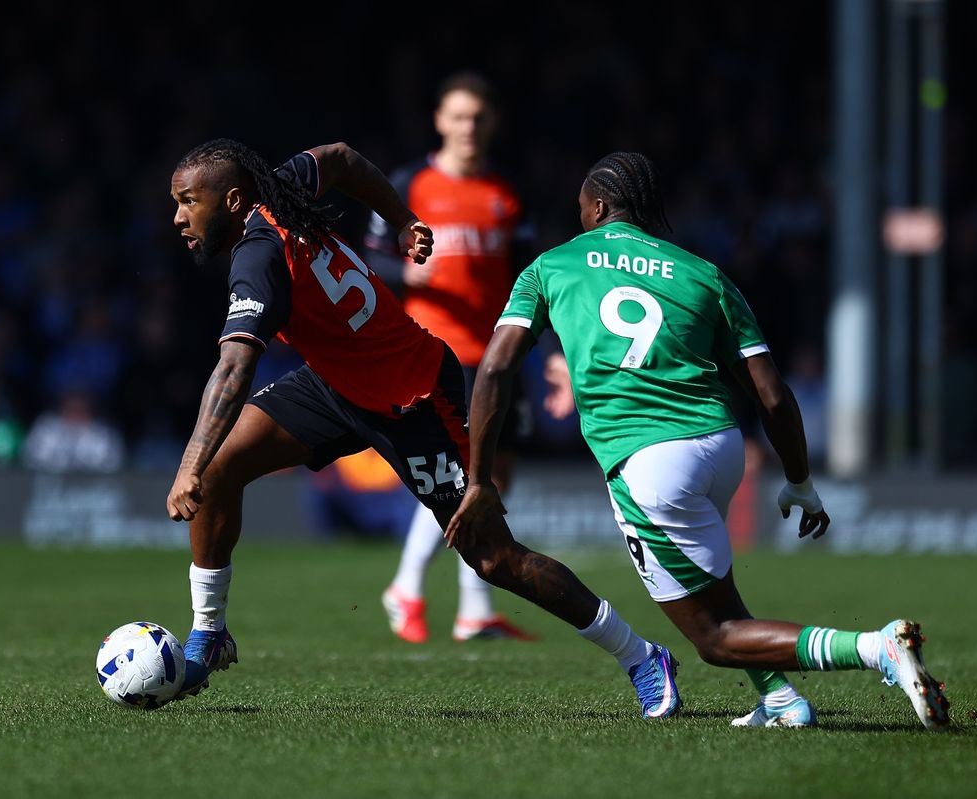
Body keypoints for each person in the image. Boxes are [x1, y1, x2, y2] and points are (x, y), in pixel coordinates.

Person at [164, 138, 681, 719]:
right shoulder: (279, 190)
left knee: (494, 560)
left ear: (231, 200)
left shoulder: (258, 255)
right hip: (337, 383)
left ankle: (641, 657)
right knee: (219, 466)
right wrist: (403, 219)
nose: (179, 217)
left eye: (188, 202)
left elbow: (234, 365)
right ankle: (209, 634)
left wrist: (184, 466)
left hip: (413, 396)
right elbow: (339, 157)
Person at [447, 152, 951, 730]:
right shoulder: (703, 273)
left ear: (601, 207)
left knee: (713, 637)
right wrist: (800, 480)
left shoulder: (551, 267)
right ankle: (781, 701)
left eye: (582, 208)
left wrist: (481, 479)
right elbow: (773, 396)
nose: (579, 216)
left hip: (648, 462)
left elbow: (493, 371)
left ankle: (875, 649)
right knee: (715, 593)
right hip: (719, 445)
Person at [364, 72, 568, 642]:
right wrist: (406, 274)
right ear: (439, 120)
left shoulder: (505, 194)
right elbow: (366, 261)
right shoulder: (408, 185)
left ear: (492, 122)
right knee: (460, 478)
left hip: (499, 355)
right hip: (436, 355)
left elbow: (533, 279)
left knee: (495, 476)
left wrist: (550, 352)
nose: (468, 127)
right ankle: (407, 586)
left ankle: (474, 608)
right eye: (458, 116)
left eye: (478, 117)